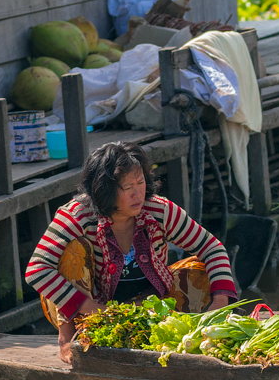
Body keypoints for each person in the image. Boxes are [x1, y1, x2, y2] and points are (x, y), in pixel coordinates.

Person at [25, 142, 238, 363]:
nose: (138, 194)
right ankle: (69, 336)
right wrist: (93, 309)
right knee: (72, 252)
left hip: (148, 305)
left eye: (141, 182)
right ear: (104, 190)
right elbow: (37, 269)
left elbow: (212, 248)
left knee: (200, 271)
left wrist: (219, 305)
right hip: (85, 306)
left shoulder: (159, 210)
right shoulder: (77, 214)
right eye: (127, 188)